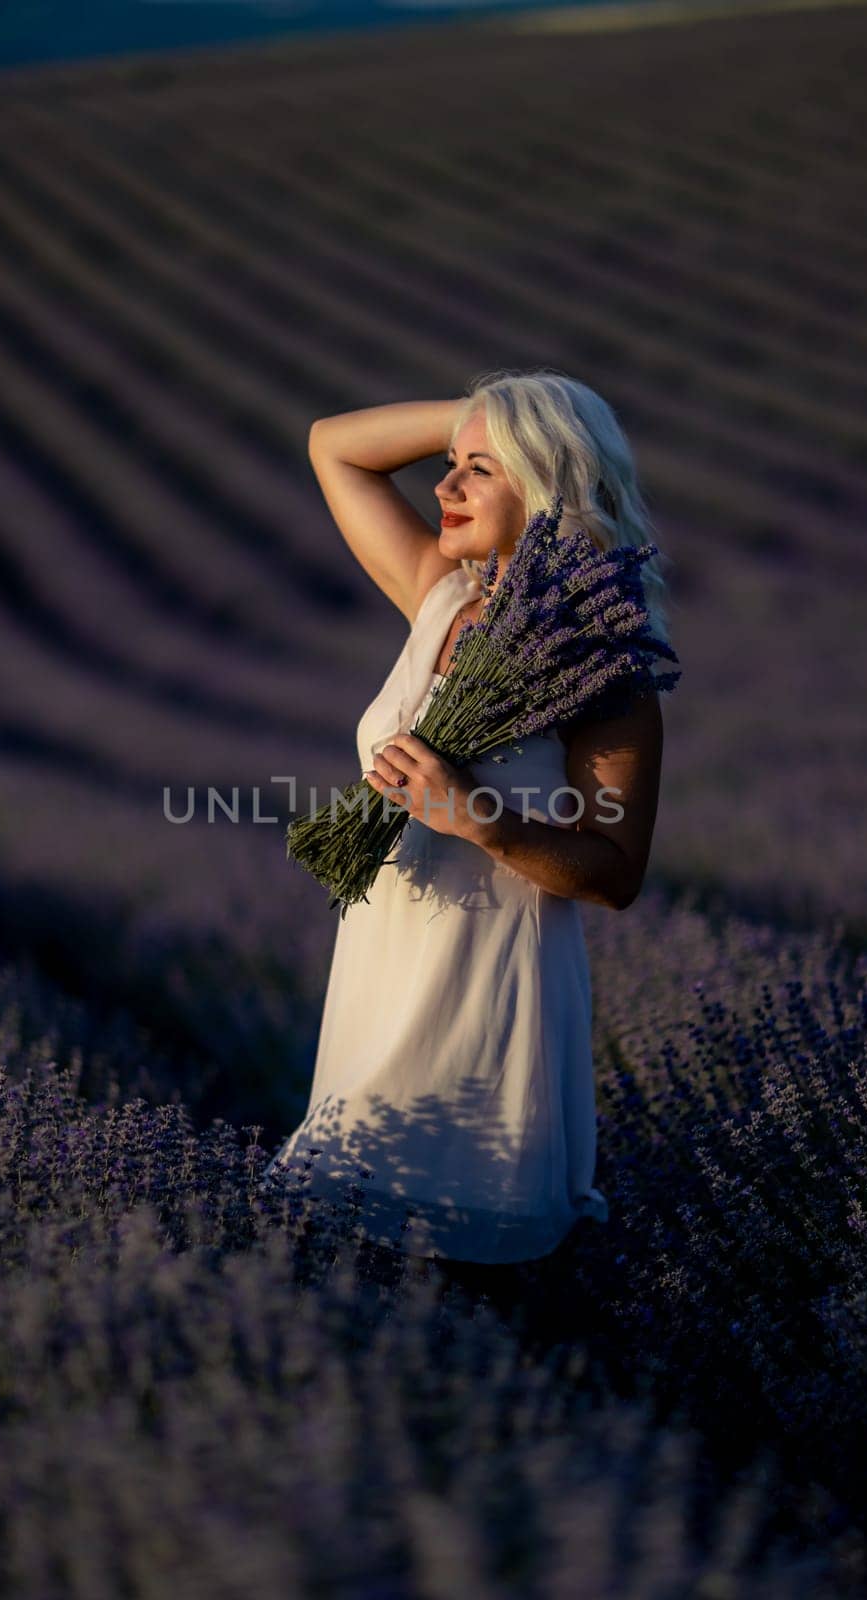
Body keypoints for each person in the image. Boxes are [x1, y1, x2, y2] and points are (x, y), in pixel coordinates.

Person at [263, 368, 670, 1267]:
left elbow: (615, 873)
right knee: (340, 1258)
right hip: (379, 971)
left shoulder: (603, 667)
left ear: (549, 482)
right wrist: (487, 417)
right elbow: (333, 443)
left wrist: (481, 820)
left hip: (482, 995)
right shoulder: (438, 593)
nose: (442, 487)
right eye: (451, 464)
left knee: (445, 1278)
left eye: (477, 470)